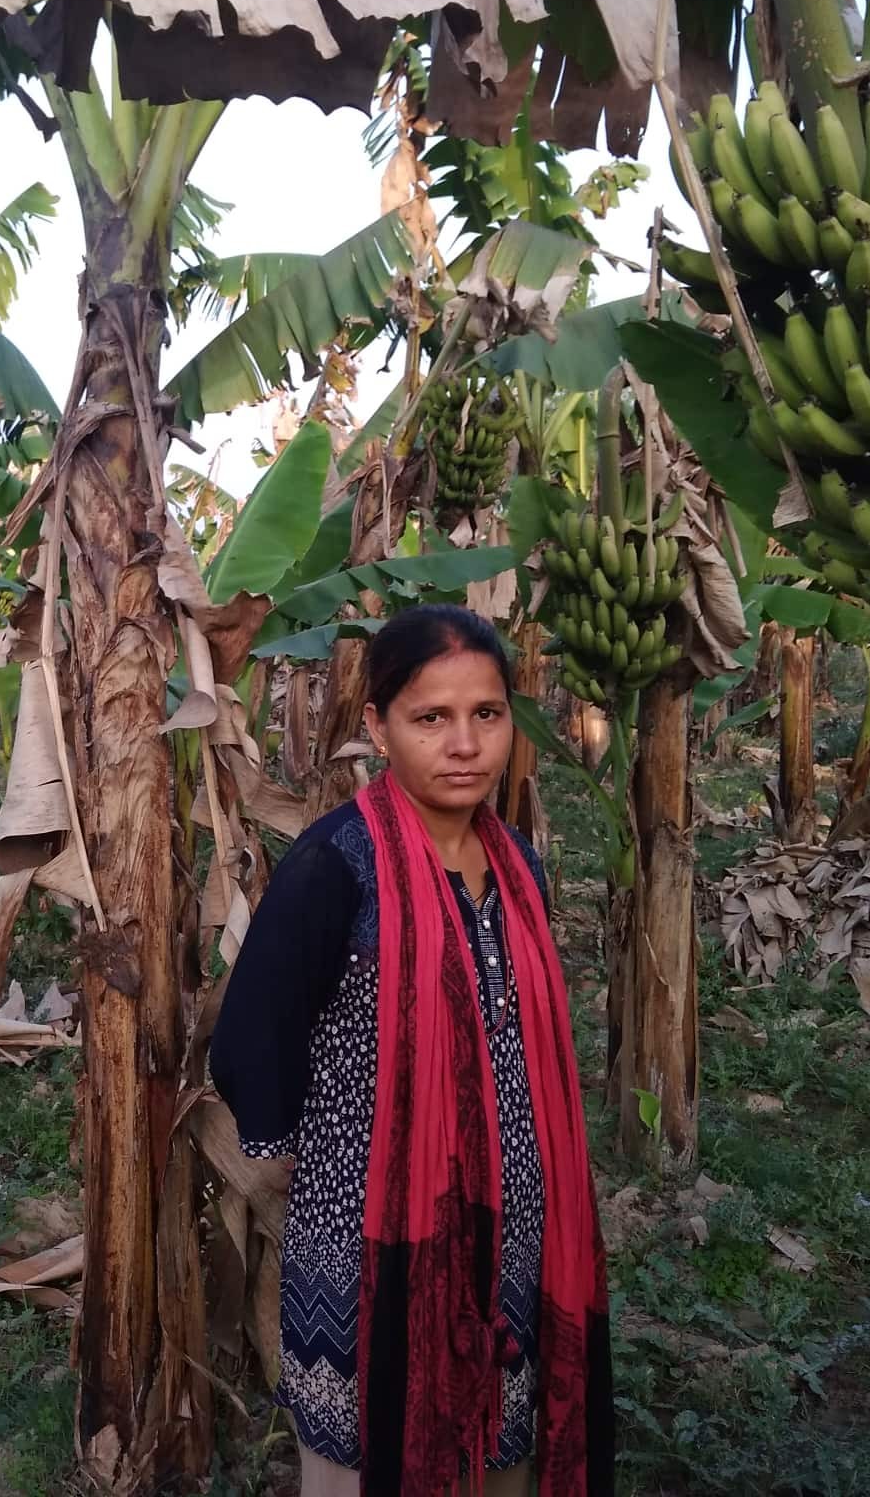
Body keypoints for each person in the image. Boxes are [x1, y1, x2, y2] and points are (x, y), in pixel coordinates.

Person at [210, 604, 613, 1497]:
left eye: (487, 714)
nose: (463, 743)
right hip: (369, 1229)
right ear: (377, 727)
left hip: (508, 1219)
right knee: (361, 1453)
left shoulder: (519, 865)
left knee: (498, 1435)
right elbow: (254, 1032)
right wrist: (291, 1159)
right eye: (431, 718)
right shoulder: (337, 864)